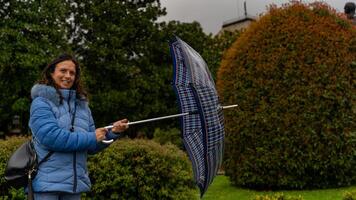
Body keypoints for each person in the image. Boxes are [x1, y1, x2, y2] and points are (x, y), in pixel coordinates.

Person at [29, 53, 129, 199]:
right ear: (51, 73)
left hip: (74, 187)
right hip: (46, 187)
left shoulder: (83, 107)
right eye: (63, 71)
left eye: (72, 73)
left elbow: (91, 146)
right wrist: (92, 137)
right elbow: (51, 138)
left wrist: (113, 132)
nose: (68, 76)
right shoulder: (41, 102)